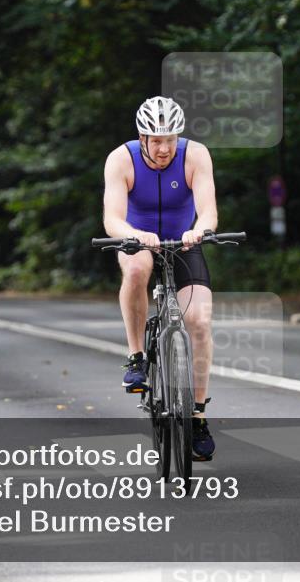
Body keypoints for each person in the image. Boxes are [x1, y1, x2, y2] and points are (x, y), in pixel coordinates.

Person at [102, 96, 220, 461]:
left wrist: (199, 230)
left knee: (199, 321)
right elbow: (112, 219)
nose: (164, 148)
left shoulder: (195, 155)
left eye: (170, 139)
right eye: (156, 140)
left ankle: (197, 415)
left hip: (183, 242)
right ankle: (137, 357)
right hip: (137, 239)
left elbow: (208, 211)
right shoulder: (121, 159)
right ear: (142, 138)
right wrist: (135, 235)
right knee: (137, 269)